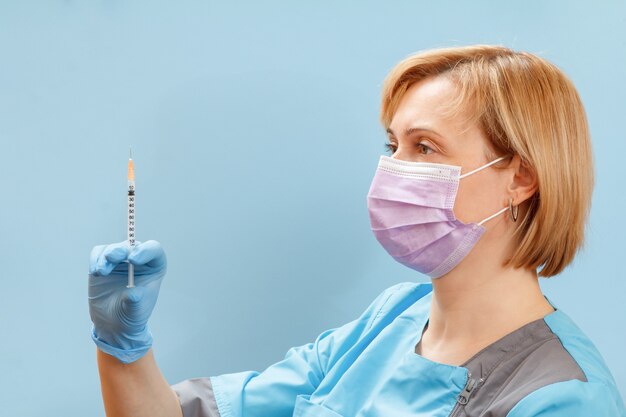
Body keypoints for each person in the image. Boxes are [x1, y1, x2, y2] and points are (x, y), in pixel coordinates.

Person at [88, 45, 626, 417]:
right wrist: (122, 346)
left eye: (425, 147)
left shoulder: (562, 396)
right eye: (392, 146)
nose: (394, 170)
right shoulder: (391, 320)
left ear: (521, 178)